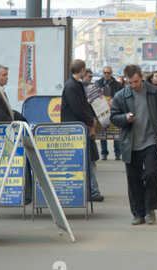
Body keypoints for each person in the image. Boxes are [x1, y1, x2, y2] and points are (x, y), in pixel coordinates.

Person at [110, 64, 157, 225]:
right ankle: (138, 213)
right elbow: (114, 117)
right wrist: (125, 118)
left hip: (152, 142)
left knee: (151, 174)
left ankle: (150, 209)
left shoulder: (155, 93)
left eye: (136, 81)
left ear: (141, 76)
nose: (133, 85)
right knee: (134, 179)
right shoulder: (121, 96)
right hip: (131, 144)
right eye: (130, 83)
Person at [61, 59, 104, 202]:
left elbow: (83, 106)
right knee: (86, 159)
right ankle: (92, 191)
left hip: (80, 126)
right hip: (76, 128)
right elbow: (78, 108)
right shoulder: (72, 86)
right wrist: (90, 120)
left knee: (89, 159)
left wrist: (90, 120)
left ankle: (92, 190)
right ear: (82, 70)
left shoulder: (76, 84)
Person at [96, 66, 124, 161]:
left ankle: (117, 153)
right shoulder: (98, 84)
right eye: (105, 73)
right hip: (102, 111)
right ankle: (104, 153)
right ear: (103, 74)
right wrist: (100, 93)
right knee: (103, 133)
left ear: (111, 73)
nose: (107, 74)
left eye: (108, 73)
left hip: (114, 111)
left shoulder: (118, 85)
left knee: (115, 132)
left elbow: (122, 97)